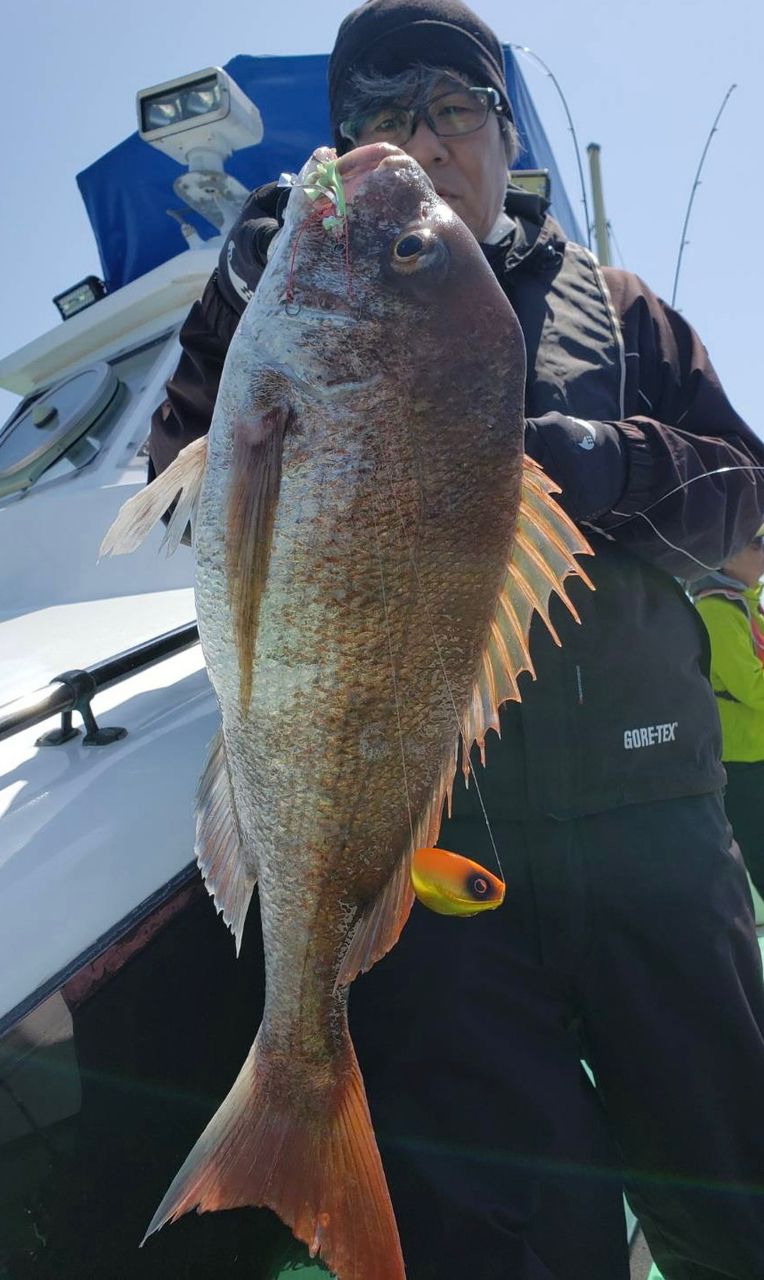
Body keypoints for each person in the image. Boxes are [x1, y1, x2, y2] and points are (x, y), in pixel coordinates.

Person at [148, 2, 764, 1277]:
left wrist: (617, 467)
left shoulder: (622, 313)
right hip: (429, 876)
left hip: (647, 836)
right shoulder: (279, 308)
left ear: (499, 129)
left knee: (733, 1176)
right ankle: (295, 1096)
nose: (418, 143)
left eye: (451, 110)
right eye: (377, 118)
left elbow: (753, 510)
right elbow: (183, 487)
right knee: (515, 1239)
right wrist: (230, 299)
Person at [692, 532, 764, 900]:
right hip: (742, 759)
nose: (763, 555)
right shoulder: (717, 609)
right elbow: (751, 687)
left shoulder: (744, 604)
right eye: (758, 544)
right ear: (728, 555)